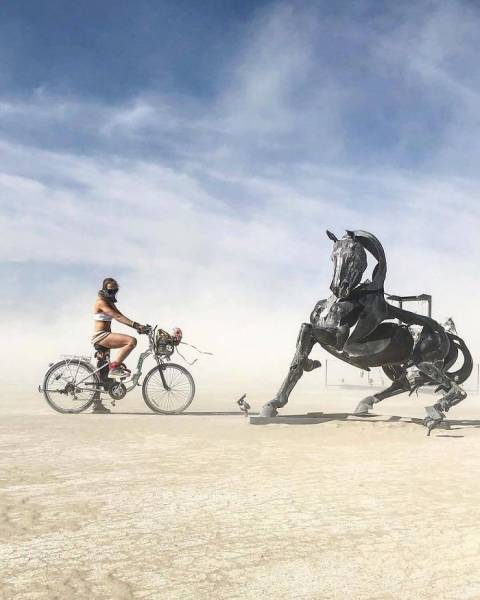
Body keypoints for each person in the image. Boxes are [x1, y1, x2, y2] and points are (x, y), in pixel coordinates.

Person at [92, 277, 147, 378]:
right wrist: (136, 325)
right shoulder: (101, 302)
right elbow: (117, 317)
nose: (113, 293)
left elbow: (120, 315)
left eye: (115, 290)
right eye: (110, 291)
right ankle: (114, 368)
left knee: (105, 377)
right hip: (101, 336)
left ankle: (109, 376)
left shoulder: (110, 302)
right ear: (104, 289)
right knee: (131, 341)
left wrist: (139, 327)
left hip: (106, 336)